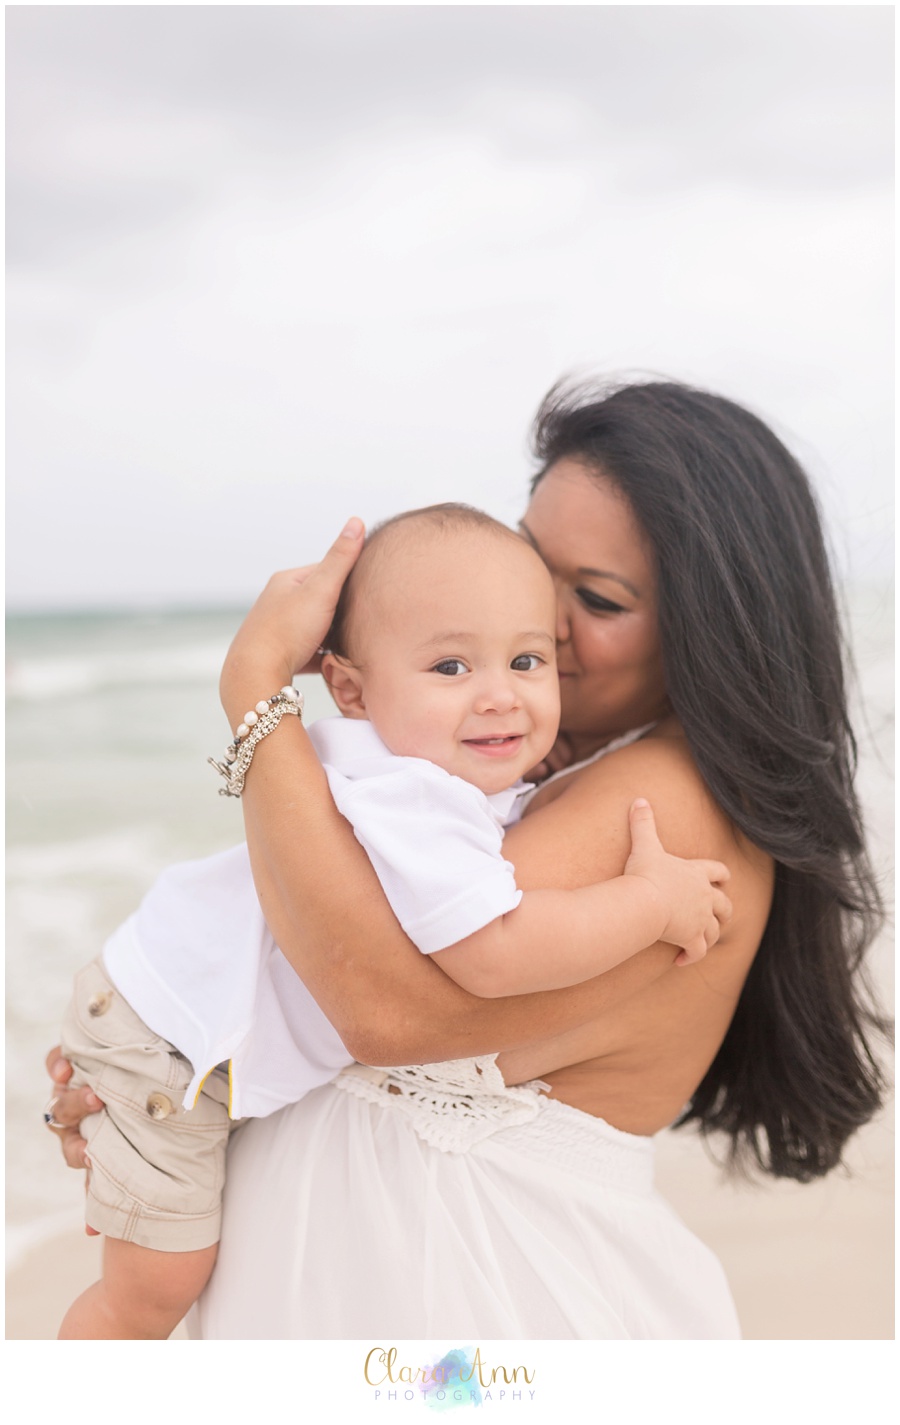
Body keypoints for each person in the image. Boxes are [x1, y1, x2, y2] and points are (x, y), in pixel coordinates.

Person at [48, 378, 887, 1340]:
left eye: (601, 598)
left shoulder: (671, 807)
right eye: (534, 563)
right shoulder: (505, 783)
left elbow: (379, 1003)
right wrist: (159, 1046)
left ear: (715, 626)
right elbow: (300, 947)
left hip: (486, 1315)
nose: (539, 620)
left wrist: (254, 695)